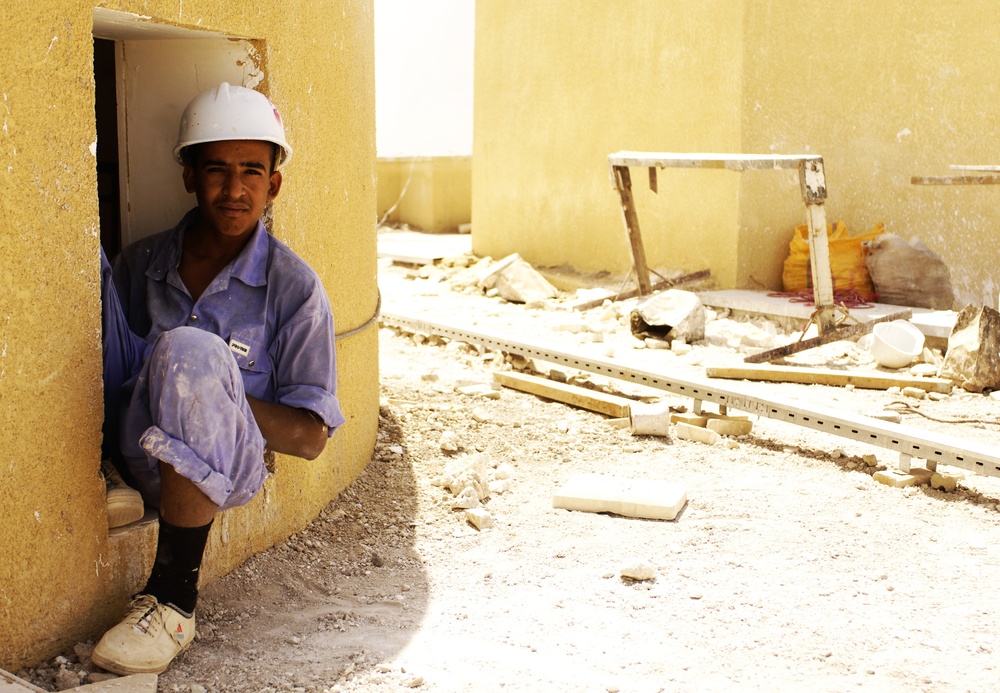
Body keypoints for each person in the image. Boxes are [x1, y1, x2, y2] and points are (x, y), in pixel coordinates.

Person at [92, 82, 345, 675]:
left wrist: (211, 389)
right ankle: (99, 468)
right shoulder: (143, 263)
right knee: (84, 265)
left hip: (225, 470)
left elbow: (310, 437)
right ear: (189, 176)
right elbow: (107, 362)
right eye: (216, 170)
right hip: (133, 454)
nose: (235, 190)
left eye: (252, 172)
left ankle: (174, 599)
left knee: (190, 352)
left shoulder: (295, 289)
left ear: (273, 183)